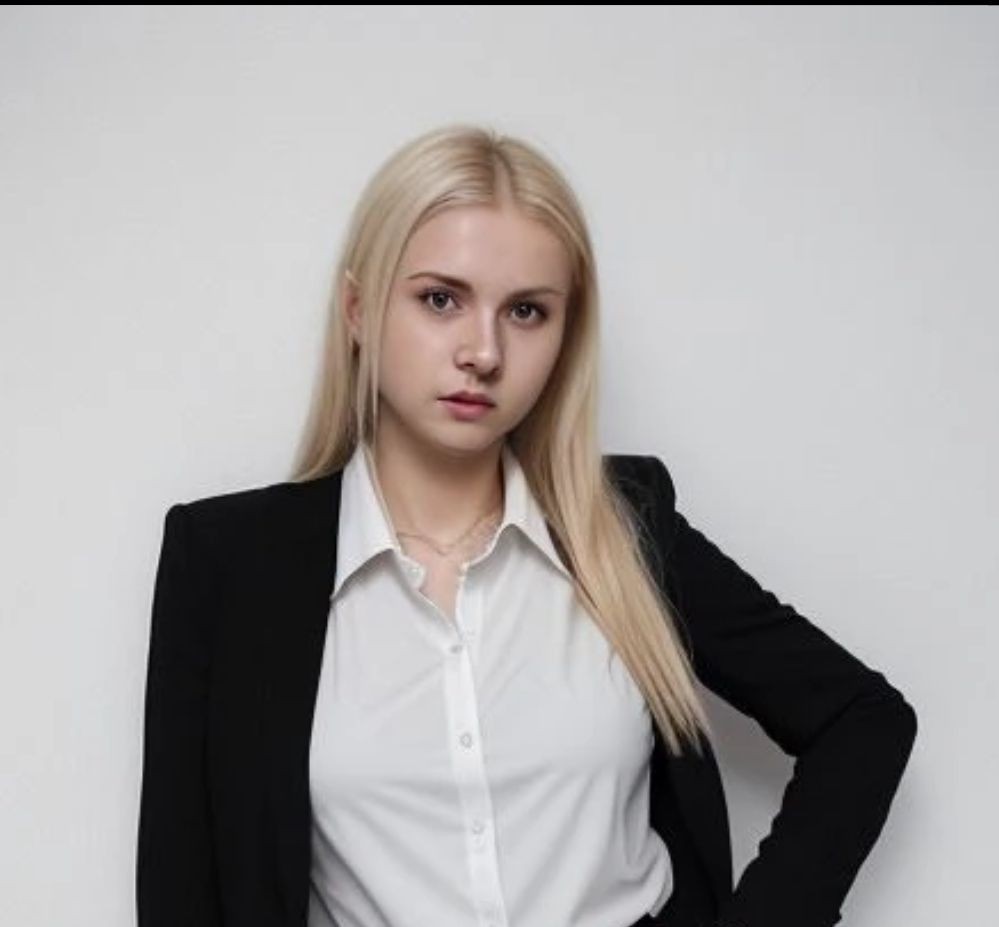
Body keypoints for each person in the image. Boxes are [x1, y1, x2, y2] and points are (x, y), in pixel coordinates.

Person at [136, 124, 917, 927]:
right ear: (359, 308)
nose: (483, 351)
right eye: (440, 299)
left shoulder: (624, 528)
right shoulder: (227, 563)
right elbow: (180, 886)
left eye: (526, 311)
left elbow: (861, 720)